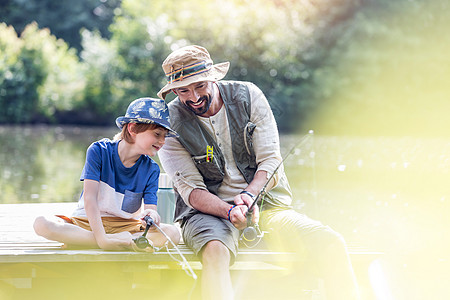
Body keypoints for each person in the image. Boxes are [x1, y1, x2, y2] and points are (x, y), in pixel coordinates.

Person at [157, 45, 360, 299]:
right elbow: (192, 191)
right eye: (183, 91)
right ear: (173, 90)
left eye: (200, 86)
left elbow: (271, 161)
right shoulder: (168, 123)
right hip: (204, 212)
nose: (194, 97)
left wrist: (249, 196)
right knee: (216, 252)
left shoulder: (249, 95)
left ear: (212, 78)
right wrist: (229, 211)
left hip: (266, 205)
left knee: (332, 243)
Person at [34, 97, 181, 251]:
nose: (163, 141)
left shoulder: (152, 169)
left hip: (126, 227)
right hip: (88, 222)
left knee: (173, 233)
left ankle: (91, 240)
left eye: (165, 136)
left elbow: (150, 210)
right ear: (132, 129)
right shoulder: (99, 151)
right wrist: (102, 239)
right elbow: (89, 198)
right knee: (41, 224)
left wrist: (151, 217)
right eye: (157, 134)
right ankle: (119, 241)